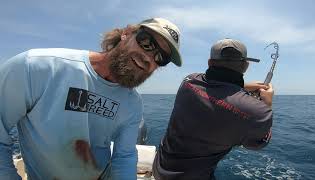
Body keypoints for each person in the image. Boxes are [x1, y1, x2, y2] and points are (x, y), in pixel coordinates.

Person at [0, 17, 182, 180]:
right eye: (146, 43)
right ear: (127, 33)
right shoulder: (35, 66)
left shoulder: (132, 103)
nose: (149, 57)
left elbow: (124, 156)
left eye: (161, 58)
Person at [153, 38, 274, 180]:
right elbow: (257, 143)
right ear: (246, 66)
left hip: (159, 169)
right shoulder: (257, 112)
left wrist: (242, 87)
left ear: (210, 62)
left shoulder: (188, 82)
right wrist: (266, 103)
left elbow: (215, 87)